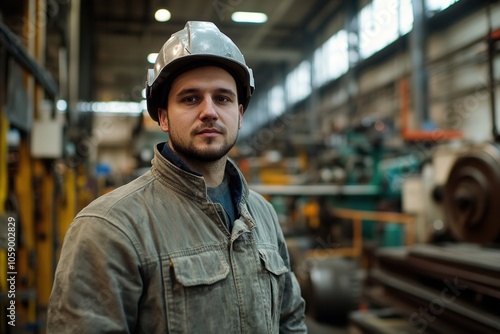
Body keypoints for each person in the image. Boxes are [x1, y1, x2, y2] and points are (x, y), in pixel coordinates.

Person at [47, 21, 307, 333]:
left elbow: (290, 320)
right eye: (190, 98)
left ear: (239, 114)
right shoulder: (109, 227)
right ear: (163, 116)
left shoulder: (263, 215)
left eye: (222, 98)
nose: (209, 111)